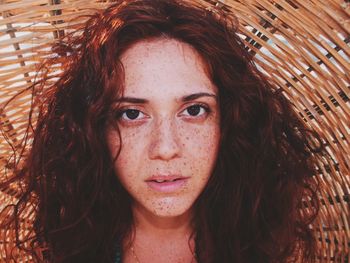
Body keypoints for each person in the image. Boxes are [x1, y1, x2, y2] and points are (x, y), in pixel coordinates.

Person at [1, 0, 322, 262]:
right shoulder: (69, 246)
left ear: (230, 121)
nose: (166, 148)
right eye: (131, 114)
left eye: (194, 110)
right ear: (95, 129)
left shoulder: (262, 237)